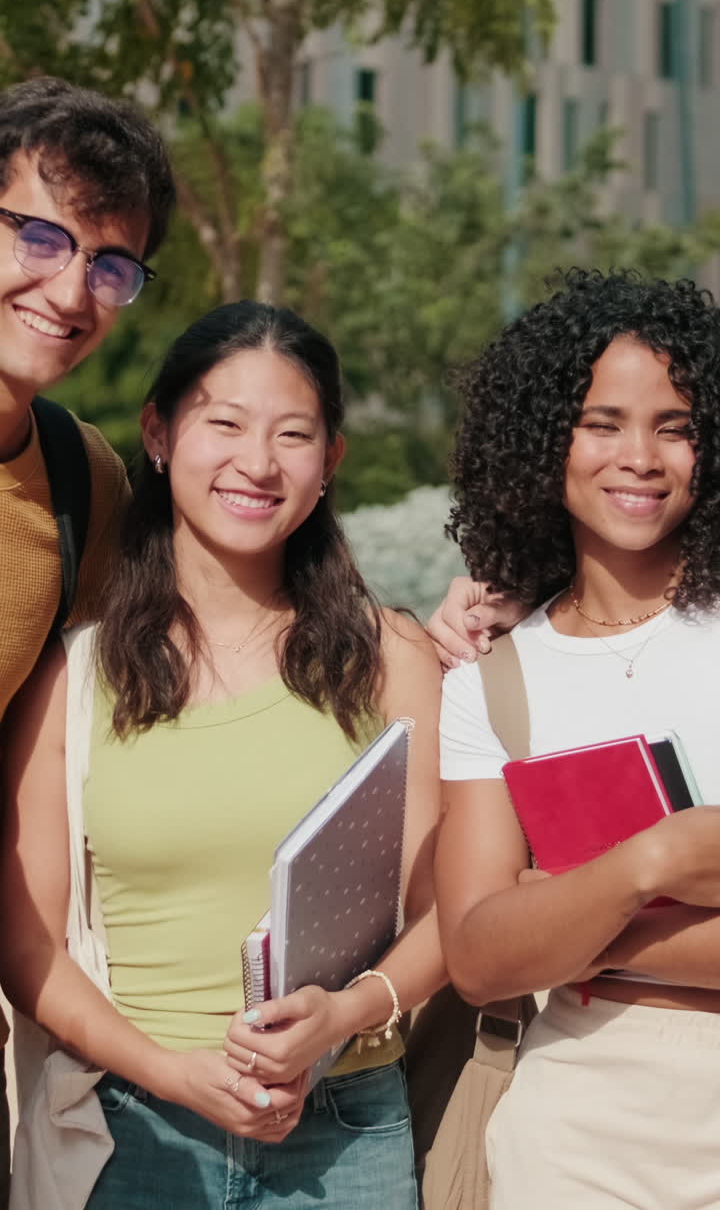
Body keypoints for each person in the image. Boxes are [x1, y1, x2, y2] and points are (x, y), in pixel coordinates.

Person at [1, 300, 444, 1209]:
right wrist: (169, 1072)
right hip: (131, 1132)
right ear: (159, 434)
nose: (258, 462)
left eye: (294, 434)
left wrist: (343, 1017)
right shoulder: (73, 676)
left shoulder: (392, 656)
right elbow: (27, 943)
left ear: (331, 463)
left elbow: (447, 911)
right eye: (225, 423)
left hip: (349, 1131)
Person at [434, 268, 720, 1209]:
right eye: (601, 422)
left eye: (674, 426)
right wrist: (653, 859)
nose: (639, 455)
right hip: (577, 1128)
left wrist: (560, 910)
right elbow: (479, 960)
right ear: (541, 441)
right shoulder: (495, 681)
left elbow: (516, 935)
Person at [0, 74, 174, 1203]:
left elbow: (207, 630)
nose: (71, 290)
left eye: (110, 265)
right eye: (39, 236)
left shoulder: (82, 479)